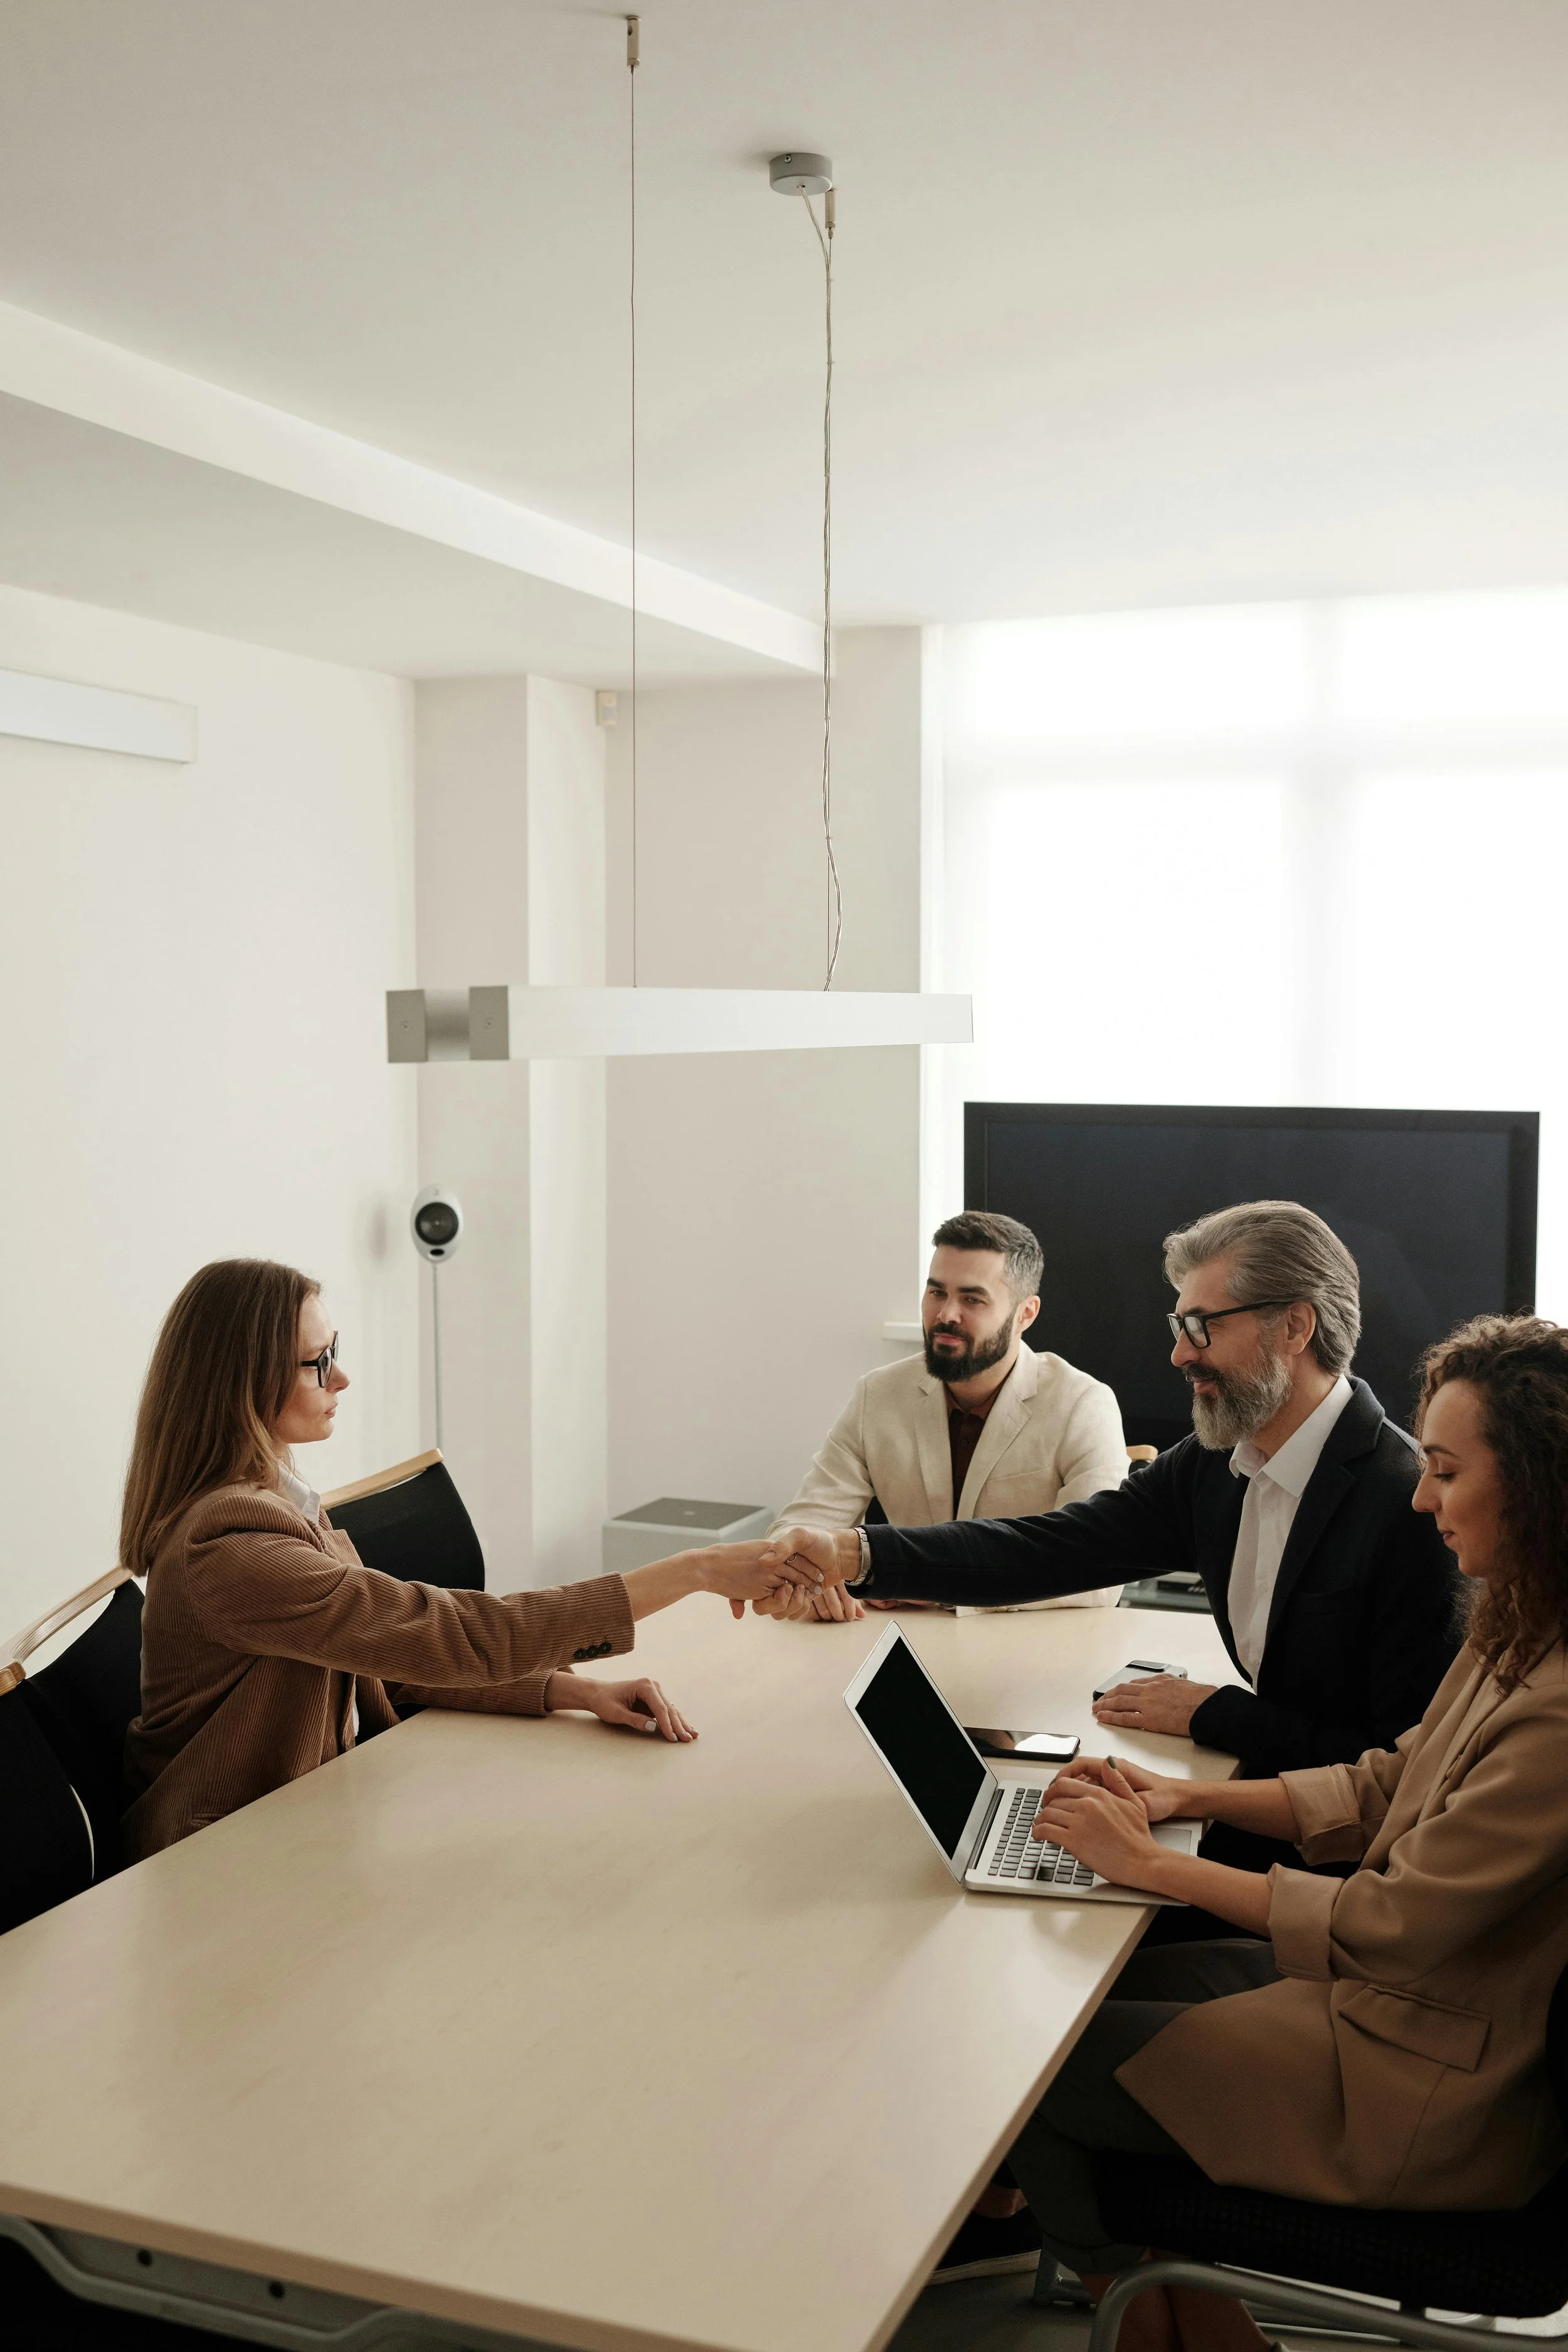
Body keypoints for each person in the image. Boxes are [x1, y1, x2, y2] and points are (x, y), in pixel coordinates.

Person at [989, 1311, 1568, 2352]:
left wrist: (1152, 1867)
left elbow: (1392, 1923)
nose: (1420, 1494)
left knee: (1022, 2070)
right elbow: (1391, 1784)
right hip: (1400, 2013)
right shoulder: (1522, 1618)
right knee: (1064, 2010)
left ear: (1539, 1487)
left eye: (1443, 1470)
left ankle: (1170, 2323)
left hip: (1436, 2084)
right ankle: (1185, 2322)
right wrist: (1188, 1804)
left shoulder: (1559, 1707)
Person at [762, 1202, 1459, 1887]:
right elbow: (1050, 1549)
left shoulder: (1410, 1507)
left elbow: (1402, 1768)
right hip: (1261, 1816)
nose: (1179, 1352)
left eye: (1200, 1327)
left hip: (1338, 1873)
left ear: (1295, 1327)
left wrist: (1215, 1712)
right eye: (1177, 1324)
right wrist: (861, 1554)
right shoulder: (1216, 1464)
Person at [122, 1260, 813, 1860]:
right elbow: (445, 1634)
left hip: (320, 1815)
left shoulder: (277, 1496)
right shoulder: (232, 1546)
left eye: (336, 1352)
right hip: (221, 1863)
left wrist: (569, 1690)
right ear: (242, 1381)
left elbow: (385, 1658)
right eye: (318, 1362)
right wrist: (690, 1571)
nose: (344, 1379)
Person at [775, 1212, 1126, 1624]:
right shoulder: (879, 1394)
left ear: (1025, 1314)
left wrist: (942, 1587)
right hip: (898, 1646)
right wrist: (813, 1575)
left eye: (972, 1299)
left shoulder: (1083, 1404)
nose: (946, 1314)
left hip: (1029, 1651)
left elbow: (1101, 1572)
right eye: (937, 1292)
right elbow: (797, 1529)